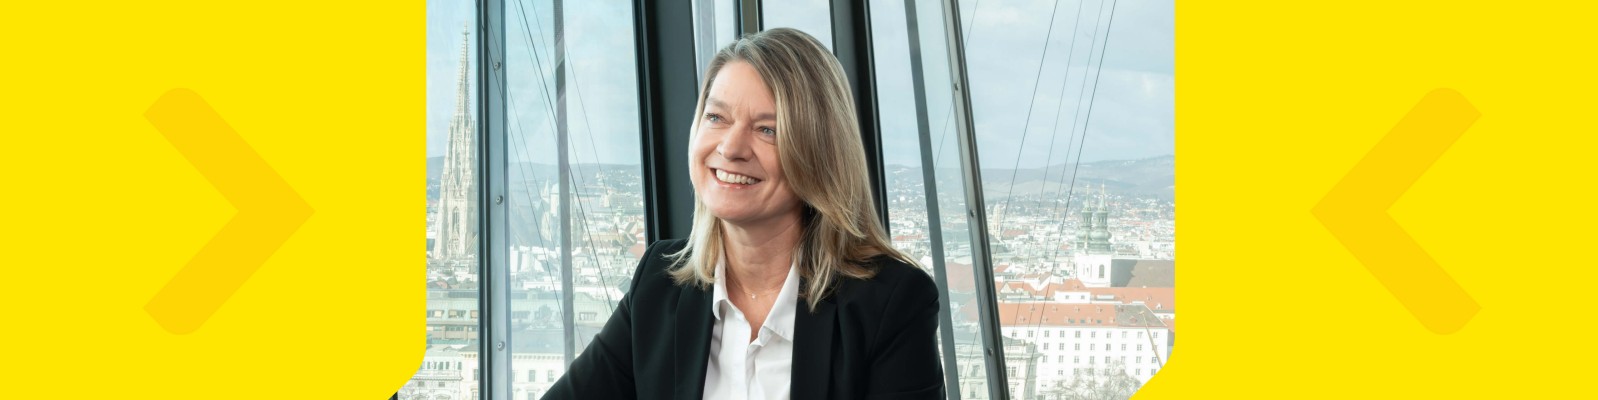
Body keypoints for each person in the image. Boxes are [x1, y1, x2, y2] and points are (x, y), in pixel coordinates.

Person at [541, 28, 944, 400]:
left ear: (820, 154)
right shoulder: (660, 284)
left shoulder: (892, 302)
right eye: (717, 117)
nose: (731, 147)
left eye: (768, 129)